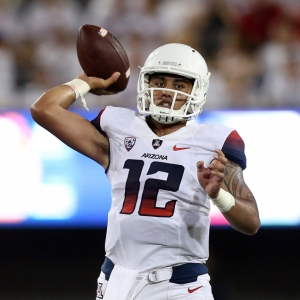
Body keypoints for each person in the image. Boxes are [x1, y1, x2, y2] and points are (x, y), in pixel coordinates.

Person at [30, 43, 260, 300]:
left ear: (197, 90)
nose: (166, 91)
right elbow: (44, 109)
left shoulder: (215, 140)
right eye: (159, 81)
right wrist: (85, 83)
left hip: (179, 285)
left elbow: (251, 222)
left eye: (179, 85)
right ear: (145, 84)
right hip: (115, 279)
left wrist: (219, 196)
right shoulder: (119, 126)